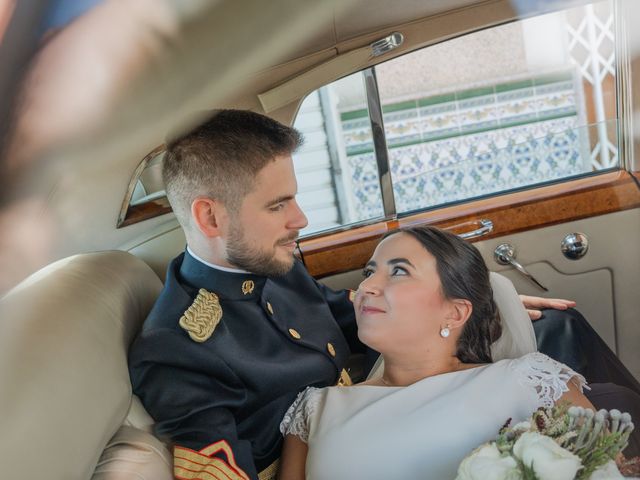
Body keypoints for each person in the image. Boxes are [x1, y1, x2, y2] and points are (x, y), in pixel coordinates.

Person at [128, 109, 639, 480]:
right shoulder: (178, 347)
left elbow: (341, 313)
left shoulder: (271, 267)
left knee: (559, 332)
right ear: (209, 216)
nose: (300, 220)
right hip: (339, 440)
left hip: (392, 385)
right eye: (278, 205)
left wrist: (470, 306)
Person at [276, 226, 600, 480]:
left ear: (456, 313)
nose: (367, 287)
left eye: (399, 271)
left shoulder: (527, 380)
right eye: (368, 272)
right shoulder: (314, 409)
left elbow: (606, 467)